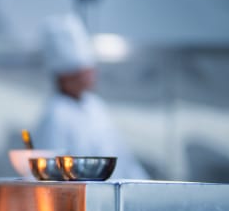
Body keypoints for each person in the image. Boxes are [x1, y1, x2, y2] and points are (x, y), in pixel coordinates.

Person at [33, 13, 149, 180]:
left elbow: (125, 159)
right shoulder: (55, 117)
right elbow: (51, 180)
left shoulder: (95, 106)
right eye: (81, 73)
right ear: (64, 78)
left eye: (89, 70)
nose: (90, 76)